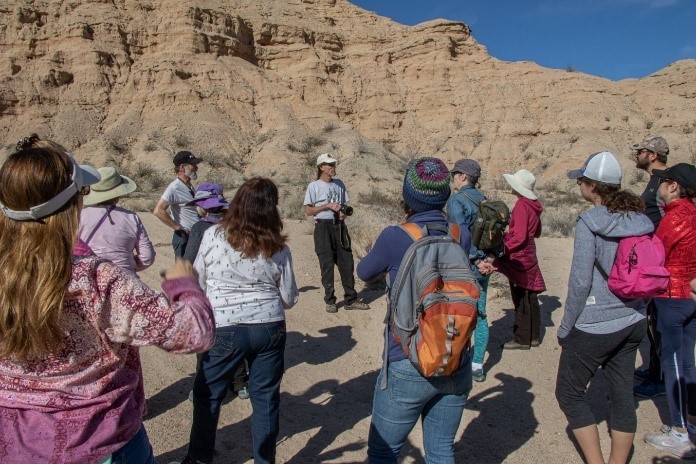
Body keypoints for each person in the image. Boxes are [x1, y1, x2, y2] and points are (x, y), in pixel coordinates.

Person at [0, 135, 215, 464]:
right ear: (72, 207)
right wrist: (183, 285)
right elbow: (192, 332)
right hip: (101, 441)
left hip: (14, 444)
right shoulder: (97, 280)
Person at [357, 157, 473, 464]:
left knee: (384, 452)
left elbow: (364, 272)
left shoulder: (395, 236)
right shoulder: (461, 235)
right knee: (440, 451)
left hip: (407, 357)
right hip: (455, 355)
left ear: (408, 196)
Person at [180, 177, 298, 464]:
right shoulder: (278, 248)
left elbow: (198, 281)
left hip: (223, 326)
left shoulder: (213, 236)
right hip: (269, 327)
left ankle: (199, 458)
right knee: (266, 398)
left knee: (208, 395)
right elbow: (289, 298)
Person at [556, 151, 652, 464]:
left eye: (582, 180)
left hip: (596, 323)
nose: (579, 185)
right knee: (622, 395)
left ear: (593, 185)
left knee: (569, 393)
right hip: (633, 318)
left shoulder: (590, 222)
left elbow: (580, 282)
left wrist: (567, 326)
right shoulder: (640, 219)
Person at [643, 163, 696, 459]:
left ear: (673, 186)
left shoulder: (675, 218)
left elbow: (656, 253)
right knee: (689, 363)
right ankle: (690, 425)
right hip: (690, 293)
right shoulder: (693, 213)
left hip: (671, 295)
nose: (658, 188)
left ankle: (679, 430)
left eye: (662, 182)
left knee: (673, 363)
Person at [181, 183, 250, 401]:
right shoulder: (239, 225)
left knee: (207, 339)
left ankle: (204, 385)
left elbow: (190, 260)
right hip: (238, 290)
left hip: (210, 292)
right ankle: (240, 384)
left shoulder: (201, 228)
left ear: (203, 206)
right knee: (236, 336)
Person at [446, 158, 495, 382]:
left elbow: (460, 236)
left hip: (465, 267)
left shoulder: (457, 201)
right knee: (481, 314)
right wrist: (490, 261)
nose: (453, 179)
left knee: (458, 313)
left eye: (455, 175)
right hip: (485, 267)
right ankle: (477, 365)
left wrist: (475, 261)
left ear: (463, 177)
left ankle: (455, 360)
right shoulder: (485, 200)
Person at [304, 153, 369, 313]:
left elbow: (344, 205)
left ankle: (351, 299)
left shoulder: (339, 184)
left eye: (334, 164)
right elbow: (309, 210)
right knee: (326, 264)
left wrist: (343, 213)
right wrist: (326, 206)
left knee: (346, 262)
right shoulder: (314, 186)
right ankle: (330, 300)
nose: (333, 167)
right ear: (321, 168)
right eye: (329, 165)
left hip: (339, 226)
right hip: (323, 227)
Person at [631, 135, 669, 399]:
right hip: (655, 261)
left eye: (642, 151)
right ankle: (654, 370)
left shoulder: (665, 183)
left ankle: (660, 377)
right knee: (653, 319)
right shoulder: (656, 182)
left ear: (653, 155)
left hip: (661, 264)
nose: (637, 155)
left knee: (659, 321)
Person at [496, 169, 546, 349]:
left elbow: (519, 236)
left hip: (519, 255)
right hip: (530, 251)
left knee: (521, 295)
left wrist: (502, 249)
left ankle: (521, 338)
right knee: (530, 294)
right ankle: (534, 336)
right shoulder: (535, 205)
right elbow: (537, 232)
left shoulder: (522, 206)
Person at [79, 166, 155, 273]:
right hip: (125, 279)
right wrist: (128, 266)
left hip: (89, 277)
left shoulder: (80, 216)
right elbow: (147, 256)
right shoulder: (131, 217)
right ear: (118, 196)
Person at [153, 150, 202, 258]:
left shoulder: (188, 186)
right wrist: (178, 227)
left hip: (193, 237)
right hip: (184, 238)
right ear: (182, 167)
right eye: (193, 165)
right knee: (184, 272)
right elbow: (158, 210)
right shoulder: (174, 187)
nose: (196, 167)